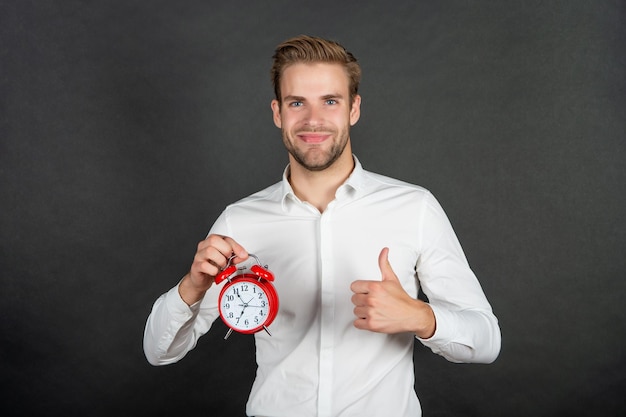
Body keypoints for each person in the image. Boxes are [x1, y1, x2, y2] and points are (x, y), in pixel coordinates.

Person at [143, 34, 501, 417]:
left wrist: (420, 317)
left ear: (354, 109)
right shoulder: (239, 220)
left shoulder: (414, 208)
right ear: (278, 112)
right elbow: (159, 352)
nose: (313, 120)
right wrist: (193, 287)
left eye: (330, 101)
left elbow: (486, 341)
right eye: (297, 103)